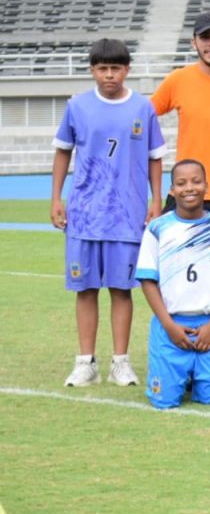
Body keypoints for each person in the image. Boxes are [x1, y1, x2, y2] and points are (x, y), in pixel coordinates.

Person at [51, 38, 166, 388]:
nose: (109, 75)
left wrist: (156, 199)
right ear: (92, 70)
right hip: (84, 215)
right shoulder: (77, 106)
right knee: (85, 289)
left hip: (127, 216)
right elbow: (63, 152)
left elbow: (155, 156)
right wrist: (56, 197)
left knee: (121, 289)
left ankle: (121, 361)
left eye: (116, 68)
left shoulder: (143, 108)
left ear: (127, 69)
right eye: (102, 68)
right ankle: (85, 362)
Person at [136, 160, 210, 409]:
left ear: (206, 186)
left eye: (196, 181)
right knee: (163, 400)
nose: (190, 188)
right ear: (172, 190)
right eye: (182, 183)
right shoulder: (157, 229)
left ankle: (205, 376)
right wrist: (169, 325)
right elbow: (148, 280)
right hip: (170, 326)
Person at [150, 12, 210, 233]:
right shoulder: (178, 80)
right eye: (205, 37)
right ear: (194, 42)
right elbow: (142, 116)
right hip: (186, 192)